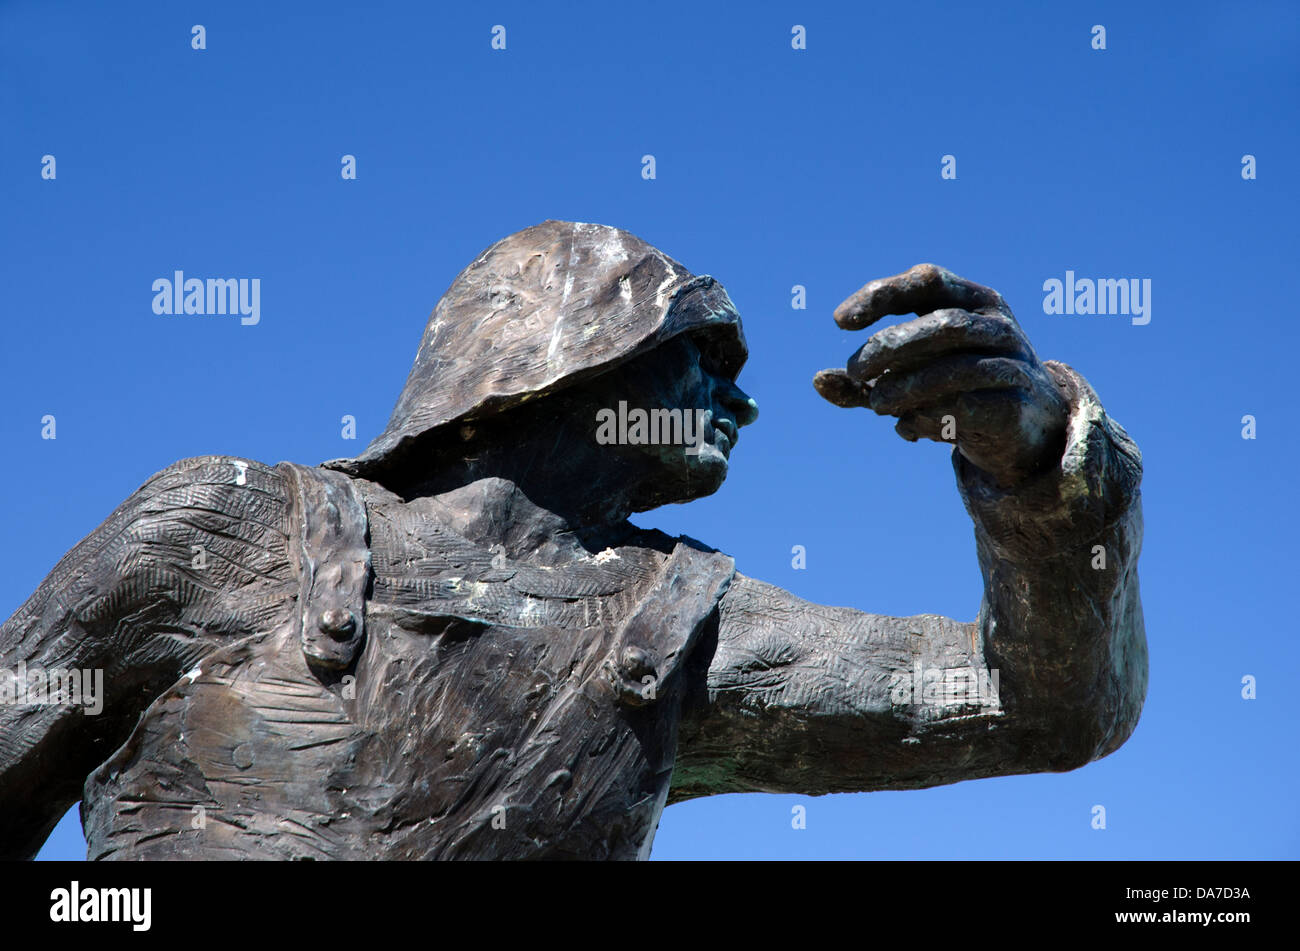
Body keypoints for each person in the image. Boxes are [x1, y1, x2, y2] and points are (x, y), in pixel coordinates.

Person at [0, 220, 1146, 860]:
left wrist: (1041, 468)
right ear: (564, 350)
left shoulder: (686, 630)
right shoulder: (223, 526)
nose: (741, 407)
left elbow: (1041, 709)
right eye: (707, 360)